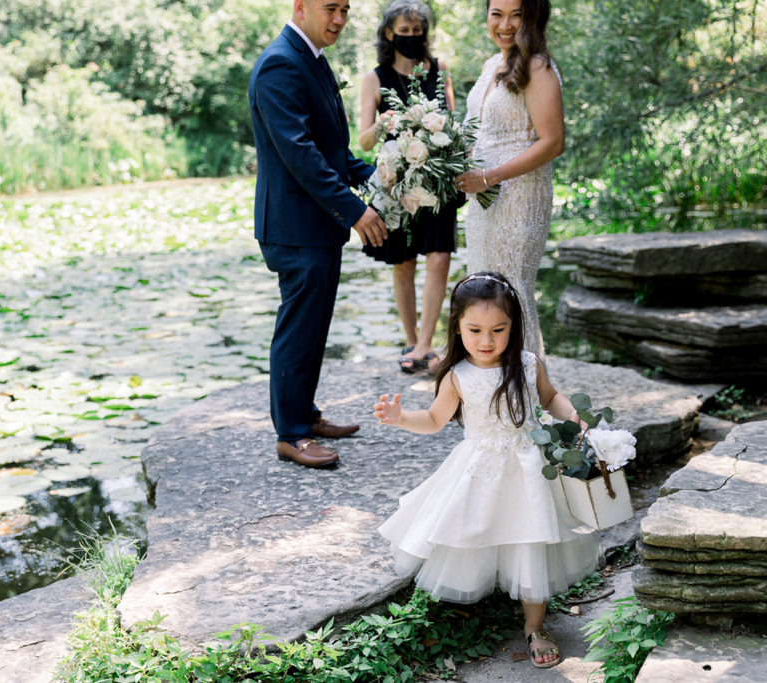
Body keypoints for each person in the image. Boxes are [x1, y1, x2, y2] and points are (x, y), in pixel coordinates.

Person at [372, 271, 599, 668]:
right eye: (475, 330)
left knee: (530, 541)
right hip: (479, 467)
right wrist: (401, 417)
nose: (487, 340)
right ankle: (472, 608)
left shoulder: (528, 365)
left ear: (514, 326)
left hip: (528, 468)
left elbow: (551, 399)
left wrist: (574, 417)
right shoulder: (458, 376)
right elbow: (433, 419)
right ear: (457, 328)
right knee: (475, 529)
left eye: (498, 329)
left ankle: (535, 625)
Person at [249, 0, 388, 469]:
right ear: (301, 5)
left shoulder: (312, 60)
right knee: (298, 329)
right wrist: (354, 210)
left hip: (318, 226)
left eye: (346, 10)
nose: (339, 20)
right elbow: (300, 153)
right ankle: (290, 434)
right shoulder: (279, 64)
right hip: (293, 227)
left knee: (315, 327)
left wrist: (387, 175)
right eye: (331, 8)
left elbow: (332, 152)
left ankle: (304, 416)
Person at [454, 0, 564, 356]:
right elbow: (479, 132)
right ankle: (490, 394)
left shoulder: (538, 67)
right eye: (496, 13)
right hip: (483, 200)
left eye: (516, 14)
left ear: (532, 16)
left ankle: (525, 395)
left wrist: (489, 176)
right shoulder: (491, 65)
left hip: (518, 195)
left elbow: (553, 141)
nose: (505, 24)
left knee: (511, 291)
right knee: (482, 293)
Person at [358, 0, 459, 375]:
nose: (413, 37)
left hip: (436, 177)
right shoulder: (375, 78)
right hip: (396, 182)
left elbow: (450, 123)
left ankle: (425, 345)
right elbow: (365, 141)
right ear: (389, 33)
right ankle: (411, 336)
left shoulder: (439, 70)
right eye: (406, 31)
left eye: (419, 31)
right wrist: (385, 123)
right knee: (403, 263)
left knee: (440, 258)